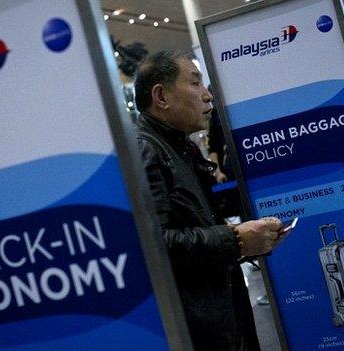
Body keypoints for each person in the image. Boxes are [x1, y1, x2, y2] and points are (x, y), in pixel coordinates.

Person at [134, 50, 283, 351]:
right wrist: (236, 240)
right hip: (199, 327)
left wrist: (245, 242)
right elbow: (155, 246)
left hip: (219, 313)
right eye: (195, 84)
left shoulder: (179, 148)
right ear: (161, 96)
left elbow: (193, 226)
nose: (207, 96)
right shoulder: (147, 152)